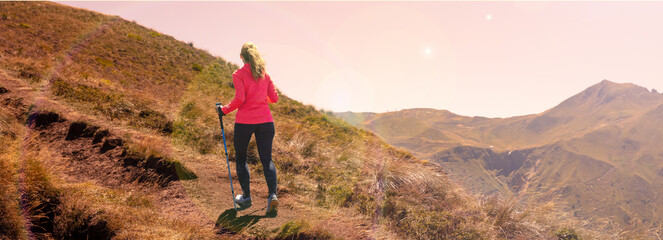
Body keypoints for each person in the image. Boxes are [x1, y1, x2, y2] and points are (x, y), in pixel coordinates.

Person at [218, 42, 279, 215]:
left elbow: (240, 98)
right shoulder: (264, 74)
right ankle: (272, 196)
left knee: (241, 159)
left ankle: (246, 197)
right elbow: (274, 98)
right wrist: (260, 96)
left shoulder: (238, 74)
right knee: (267, 160)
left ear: (241, 57)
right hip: (266, 122)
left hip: (245, 123)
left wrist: (224, 110)